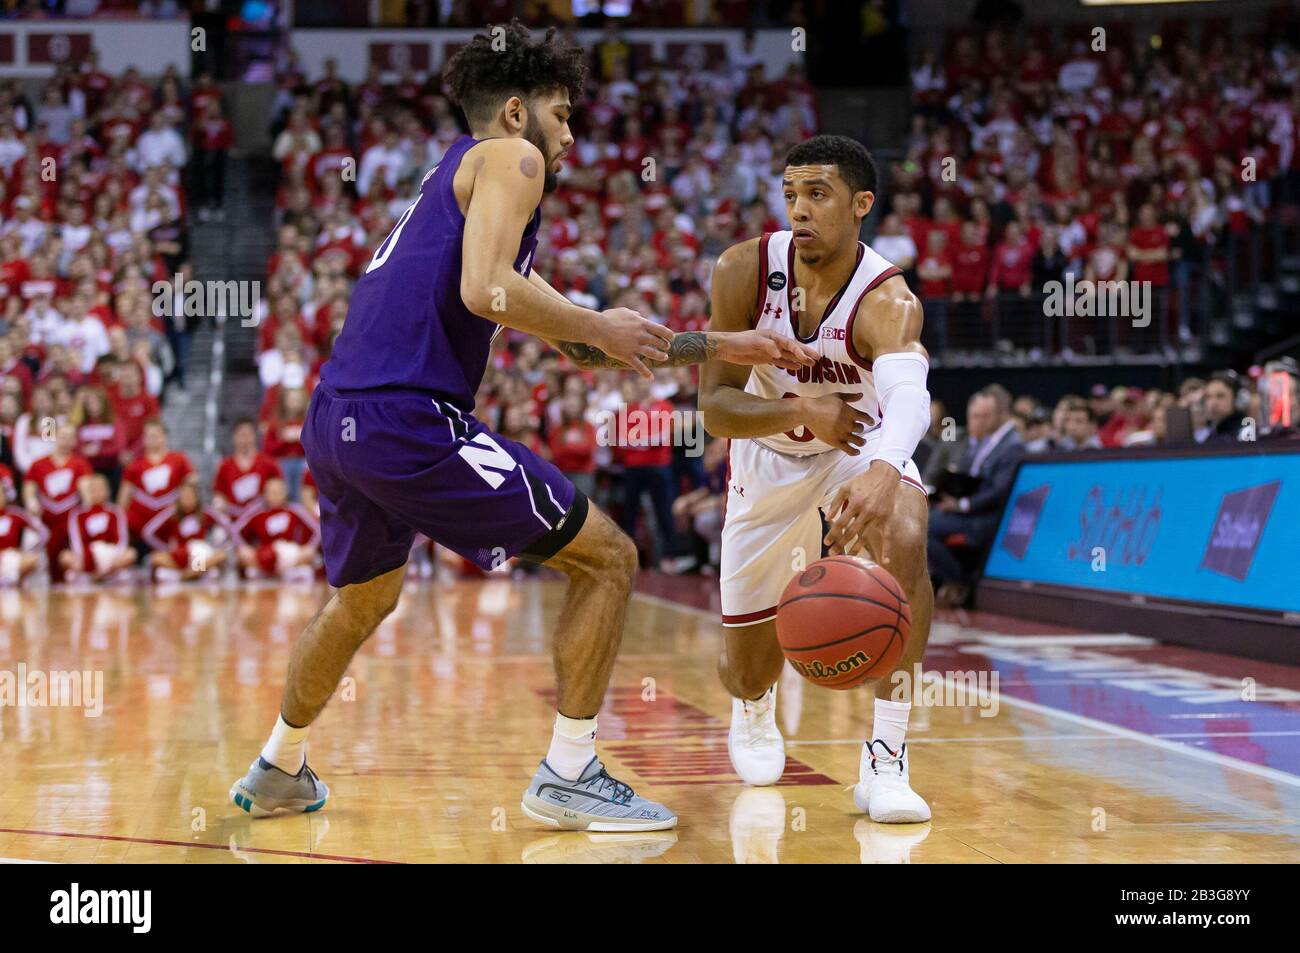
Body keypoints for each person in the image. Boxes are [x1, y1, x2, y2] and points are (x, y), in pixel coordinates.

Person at [229, 21, 817, 830]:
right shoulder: (515, 160)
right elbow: (485, 290)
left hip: (338, 420)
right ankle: (569, 770)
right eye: (563, 113)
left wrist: (721, 344)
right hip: (408, 418)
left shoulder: (454, 179)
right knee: (608, 557)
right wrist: (594, 322)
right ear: (515, 112)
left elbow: (580, 344)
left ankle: (279, 765)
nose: (571, 135)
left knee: (361, 599)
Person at [699, 134, 936, 824]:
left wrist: (888, 469)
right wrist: (799, 406)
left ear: (861, 204)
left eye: (818, 194)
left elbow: (911, 398)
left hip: (859, 446)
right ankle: (752, 705)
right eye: (791, 194)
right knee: (748, 664)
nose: (799, 210)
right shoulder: (745, 269)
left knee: (906, 529)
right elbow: (714, 409)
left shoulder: (886, 298)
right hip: (766, 458)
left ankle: (886, 757)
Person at [927, 387, 1025, 606]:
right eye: (974, 416)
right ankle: (950, 580)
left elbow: (999, 492)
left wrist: (961, 504)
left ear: (1001, 414)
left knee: (925, 528)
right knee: (924, 518)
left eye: (983, 416)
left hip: (988, 518)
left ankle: (960, 582)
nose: (978, 422)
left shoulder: (1013, 445)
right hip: (968, 511)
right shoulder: (983, 441)